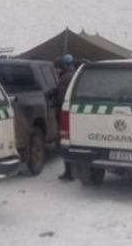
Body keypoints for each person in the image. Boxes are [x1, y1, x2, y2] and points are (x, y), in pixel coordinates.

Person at [56, 54, 77, 182]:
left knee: (65, 141)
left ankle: (69, 172)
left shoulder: (66, 77)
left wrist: (54, 98)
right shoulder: (73, 75)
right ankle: (71, 171)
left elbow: (62, 96)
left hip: (64, 112)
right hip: (69, 112)